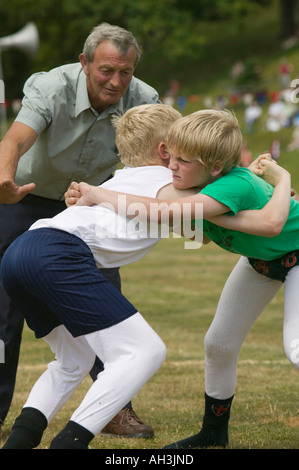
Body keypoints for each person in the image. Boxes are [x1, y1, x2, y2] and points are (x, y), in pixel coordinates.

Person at [0, 104, 285, 450]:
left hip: (20, 252)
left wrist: (92, 192)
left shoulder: (120, 179)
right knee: (145, 352)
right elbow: (235, 217)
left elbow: (202, 232)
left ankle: (19, 442)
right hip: (57, 254)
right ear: (166, 149)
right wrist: (268, 188)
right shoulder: (169, 183)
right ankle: (69, 444)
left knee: (73, 361)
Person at [81, 109, 299, 449]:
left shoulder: (233, 184)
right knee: (218, 344)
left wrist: (96, 193)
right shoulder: (199, 186)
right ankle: (213, 435)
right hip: (262, 260)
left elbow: (270, 225)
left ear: (214, 168)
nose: (172, 166)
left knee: (295, 347)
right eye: (171, 156)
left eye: (184, 160)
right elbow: (199, 234)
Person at [0, 22, 161, 437]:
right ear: (85, 63)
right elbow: (15, 139)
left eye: (126, 72)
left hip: (90, 204)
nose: (117, 81)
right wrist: (4, 177)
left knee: (107, 301)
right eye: (107, 70)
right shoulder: (52, 86)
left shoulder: (144, 101)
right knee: (3, 310)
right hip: (28, 197)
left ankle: (114, 410)